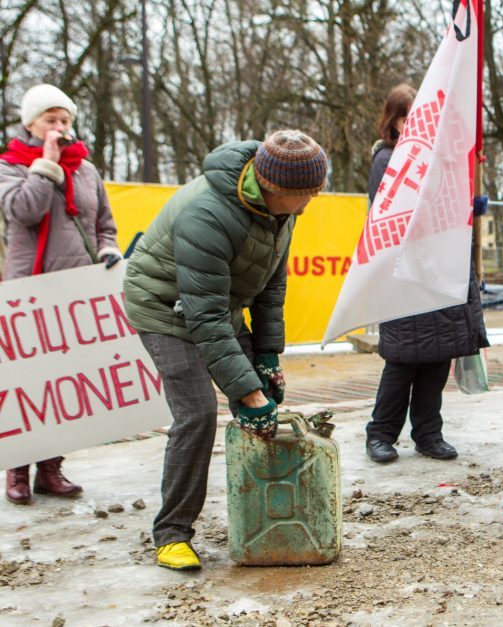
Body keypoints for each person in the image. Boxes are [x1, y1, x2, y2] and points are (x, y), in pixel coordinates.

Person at [123, 130, 328, 570]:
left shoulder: (281, 209)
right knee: (198, 413)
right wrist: (247, 393)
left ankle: (264, 516)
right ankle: (172, 534)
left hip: (216, 304)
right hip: (164, 308)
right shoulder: (207, 214)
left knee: (265, 400)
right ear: (275, 187)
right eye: (305, 194)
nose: (310, 202)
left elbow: (271, 286)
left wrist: (268, 358)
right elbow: (206, 320)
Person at [0, 84, 122, 505]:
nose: (60, 127)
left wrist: (107, 249)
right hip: (28, 289)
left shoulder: (86, 170)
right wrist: (46, 165)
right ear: (30, 124)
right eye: (51, 120)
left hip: (76, 289)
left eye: (65, 120)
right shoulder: (12, 165)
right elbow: (23, 211)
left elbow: (103, 222)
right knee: (29, 384)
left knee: (63, 381)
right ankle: (16, 470)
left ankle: (50, 469)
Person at [364, 83, 489, 463]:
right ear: (395, 121)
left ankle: (428, 433)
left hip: (442, 273)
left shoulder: (441, 158)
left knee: (437, 359)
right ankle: (380, 434)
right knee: (403, 361)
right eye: (407, 117)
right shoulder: (387, 159)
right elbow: (399, 212)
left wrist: (469, 204)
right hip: (409, 276)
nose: (414, 124)